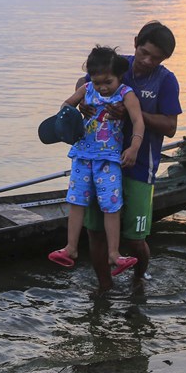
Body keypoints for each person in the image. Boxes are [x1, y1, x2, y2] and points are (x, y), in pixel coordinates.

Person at [81, 21, 182, 293]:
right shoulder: (117, 66)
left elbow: (170, 127)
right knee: (96, 230)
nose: (147, 61)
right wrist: (82, 102)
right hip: (99, 162)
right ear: (136, 42)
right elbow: (84, 81)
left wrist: (133, 111)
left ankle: (139, 278)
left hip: (139, 167)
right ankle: (104, 287)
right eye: (144, 52)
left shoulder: (165, 80)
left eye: (156, 58)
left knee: (135, 237)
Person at [47, 45, 146, 277]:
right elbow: (65, 106)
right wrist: (76, 109)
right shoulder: (87, 89)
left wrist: (134, 147)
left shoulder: (126, 94)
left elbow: (138, 121)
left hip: (109, 159)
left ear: (118, 76)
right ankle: (70, 248)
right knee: (76, 201)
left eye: (107, 82)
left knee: (111, 205)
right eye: (98, 81)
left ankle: (114, 254)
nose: (102, 87)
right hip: (82, 156)